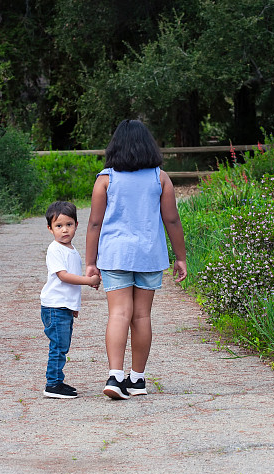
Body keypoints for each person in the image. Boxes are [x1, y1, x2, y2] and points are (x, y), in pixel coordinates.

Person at [85, 119, 188, 400]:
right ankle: (138, 379)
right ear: (148, 146)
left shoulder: (106, 179)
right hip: (149, 255)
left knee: (119, 313)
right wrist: (180, 257)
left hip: (116, 254)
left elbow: (95, 223)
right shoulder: (160, 177)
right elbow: (171, 219)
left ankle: (115, 377)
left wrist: (90, 262)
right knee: (141, 316)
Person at [40, 201, 101, 399]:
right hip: (54, 307)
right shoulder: (55, 250)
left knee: (63, 345)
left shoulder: (71, 250)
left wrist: (74, 306)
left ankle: (57, 380)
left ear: (76, 224)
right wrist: (88, 280)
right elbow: (64, 277)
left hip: (63, 307)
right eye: (59, 226)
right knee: (58, 346)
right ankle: (52, 384)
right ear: (50, 229)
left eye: (69, 225)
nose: (64, 230)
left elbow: (70, 286)